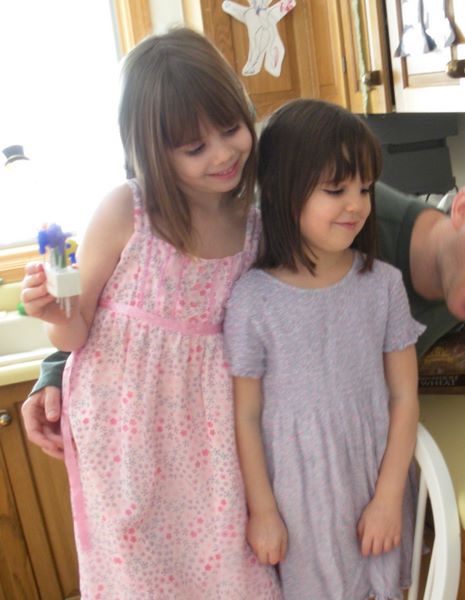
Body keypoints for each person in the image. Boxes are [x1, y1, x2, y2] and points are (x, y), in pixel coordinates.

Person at [23, 154, 465, 464]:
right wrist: (57, 369)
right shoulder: (346, 224)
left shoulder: (464, 285)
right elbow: (163, 281)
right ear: (461, 209)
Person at [18, 28, 281, 599]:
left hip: (213, 439)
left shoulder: (256, 226)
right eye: (193, 148)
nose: (223, 154)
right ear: (153, 151)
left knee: (229, 575)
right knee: (140, 578)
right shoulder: (126, 211)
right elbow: (75, 330)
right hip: (124, 439)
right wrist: (54, 312)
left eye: (230, 129)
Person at [224, 98, 422, 599]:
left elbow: (404, 398)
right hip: (299, 504)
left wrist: (388, 497)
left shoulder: (385, 286)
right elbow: (246, 416)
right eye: (336, 190)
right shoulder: (251, 299)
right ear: (284, 191)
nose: (356, 204)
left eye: (364, 188)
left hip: (375, 487)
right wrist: (263, 511)